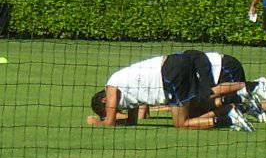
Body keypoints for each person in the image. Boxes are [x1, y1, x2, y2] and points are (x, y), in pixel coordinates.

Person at [87, 53, 255, 131]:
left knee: (180, 124)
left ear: (104, 101)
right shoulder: (127, 91)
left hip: (169, 73)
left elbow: (109, 122)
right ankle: (241, 94)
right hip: (175, 64)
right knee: (200, 103)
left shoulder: (111, 86)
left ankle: (228, 119)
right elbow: (133, 121)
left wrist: (97, 122)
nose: (117, 111)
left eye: (110, 110)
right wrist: (119, 119)